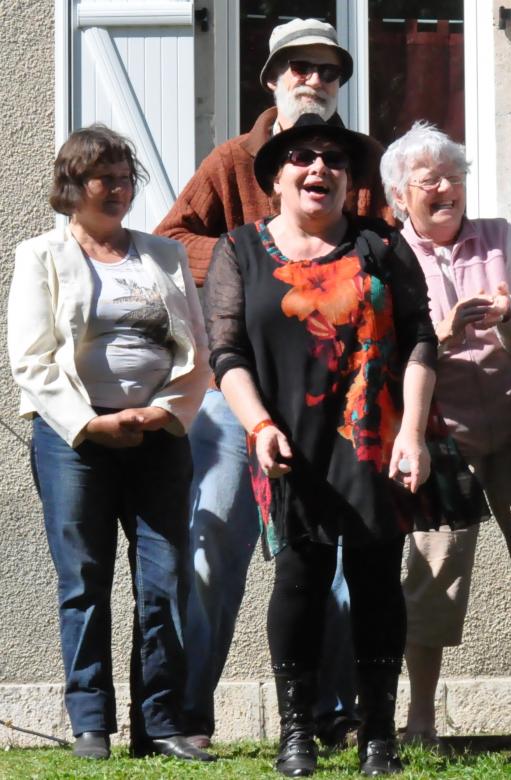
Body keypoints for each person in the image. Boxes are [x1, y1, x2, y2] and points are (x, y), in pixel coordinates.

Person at [155, 17, 386, 747]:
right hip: (237, 390)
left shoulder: (357, 160)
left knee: (340, 553)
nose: (313, 80)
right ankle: (189, 715)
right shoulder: (232, 160)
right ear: (272, 79)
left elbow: (387, 248)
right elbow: (168, 238)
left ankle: (333, 714)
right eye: (299, 68)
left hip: (338, 396)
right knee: (215, 540)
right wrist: (250, 260)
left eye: (328, 70)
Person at [203, 113, 436, 776]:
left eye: (333, 159)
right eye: (302, 157)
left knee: (376, 581)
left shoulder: (381, 245)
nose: (319, 168)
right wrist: (258, 426)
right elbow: (226, 351)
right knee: (300, 577)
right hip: (286, 438)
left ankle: (378, 736)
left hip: (374, 437)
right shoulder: (239, 250)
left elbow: (421, 339)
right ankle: (297, 732)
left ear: (348, 179)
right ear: (276, 179)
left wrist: (413, 433)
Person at [8, 125, 214, 761]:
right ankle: (90, 724)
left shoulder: (164, 255)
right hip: (74, 441)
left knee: (165, 577)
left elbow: (197, 349)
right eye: (106, 178)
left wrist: (163, 411)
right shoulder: (40, 254)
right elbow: (32, 359)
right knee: (85, 578)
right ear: (73, 185)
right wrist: (89, 423)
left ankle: (161, 723)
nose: (120, 189)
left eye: (127, 178)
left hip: (158, 434)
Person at [379, 121, 511, 744]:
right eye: (429, 180)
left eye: (453, 177)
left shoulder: (500, 238)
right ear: (400, 195)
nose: (445, 189)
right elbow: (389, 353)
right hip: (441, 439)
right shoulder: (387, 254)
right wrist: (446, 332)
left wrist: (510, 319)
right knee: (435, 580)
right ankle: (421, 721)